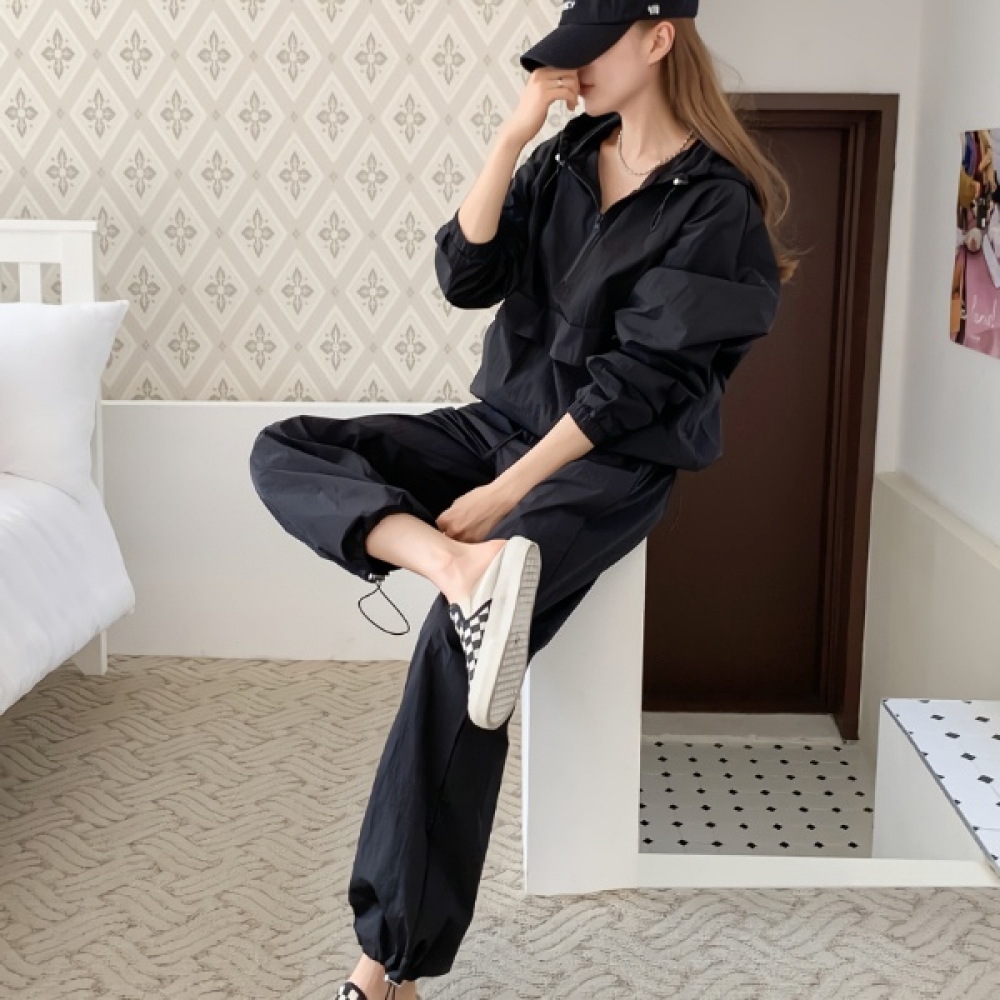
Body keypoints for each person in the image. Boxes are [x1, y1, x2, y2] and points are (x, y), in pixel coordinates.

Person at [248, 1, 795, 996]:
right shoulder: (561, 159)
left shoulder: (714, 206)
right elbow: (467, 276)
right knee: (285, 448)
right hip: (498, 423)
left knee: (453, 652)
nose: (571, 70)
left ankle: (386, 963)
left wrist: (505, 491)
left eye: (593, 49)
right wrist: (510, 137)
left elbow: (632, 389)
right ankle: (451, 565)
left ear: (658, 39)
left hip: (604, 463)